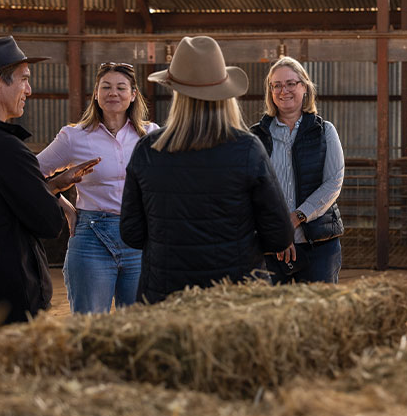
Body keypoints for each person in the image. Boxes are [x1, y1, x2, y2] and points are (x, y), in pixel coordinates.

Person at [120, 36, 293, 304]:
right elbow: (280, 235)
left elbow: (131, 232)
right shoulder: (247, 149)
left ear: (176, 93)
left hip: (165, 295)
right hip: (234, 297)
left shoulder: (148, 149)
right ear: (225, 94)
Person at [0, 36, 97, 325]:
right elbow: (48, 222)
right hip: (4, 308)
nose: (29, 90)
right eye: (24, 79)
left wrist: (51, 185)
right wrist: (51, 196)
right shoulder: (7, 150)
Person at [37, 62, 158, 314]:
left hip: (140, 239)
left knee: (139, 325)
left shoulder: (151, 135)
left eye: (121, 87)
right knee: (89, 324)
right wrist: (64, 204)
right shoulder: (74, 137)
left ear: (133, 95)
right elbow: (31, 174)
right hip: (91, 238)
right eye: (106, 87)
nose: (113, 93)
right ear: (95, 93)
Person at [251, 56, 344, 285]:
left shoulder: (325, 132)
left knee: (317, 307)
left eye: (291, 83)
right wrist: (277, 232)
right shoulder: (255, 137)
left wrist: (297, 217)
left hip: (318, 246)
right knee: (269, 307)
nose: (284, 91)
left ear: (305, 87)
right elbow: (251, 189)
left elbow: (333, 182)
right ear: (270, 91)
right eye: (277, 85)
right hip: (270, 247)